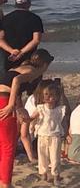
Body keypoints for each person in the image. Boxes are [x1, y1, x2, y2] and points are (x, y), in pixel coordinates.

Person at [0, 49, 54, 188]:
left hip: (3, 96)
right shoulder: (34, 71)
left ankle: (3, 180)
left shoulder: (21, 67)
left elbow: (12, 87)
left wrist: (19, 108)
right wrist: (12, 105)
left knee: (2, 143)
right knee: (8, 146)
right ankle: (5, 184)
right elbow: (16, 81)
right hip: (4, 101)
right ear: (44, 64)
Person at [30, 82, 65, 184]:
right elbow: (32, 118)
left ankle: (56, 176)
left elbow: (63, 122)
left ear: (57, 96)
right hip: (42, 135)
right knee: (42, 156)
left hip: (55, 136)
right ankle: (44, 174)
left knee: (55, 157)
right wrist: (26, 120)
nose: (48, 97)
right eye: (46, 94)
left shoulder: (60, 109)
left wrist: (66, 134)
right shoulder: (40, 108)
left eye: (51, 95)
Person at [0, 0, 44, 71]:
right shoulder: (35, 19)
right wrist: (21, 52)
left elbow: (1, 39)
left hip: (10, 57)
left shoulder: (6, 19)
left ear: (16, 3)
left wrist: (12, 51)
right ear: (29, 2)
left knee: (8, 79)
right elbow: (36, 40)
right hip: (28, 56)